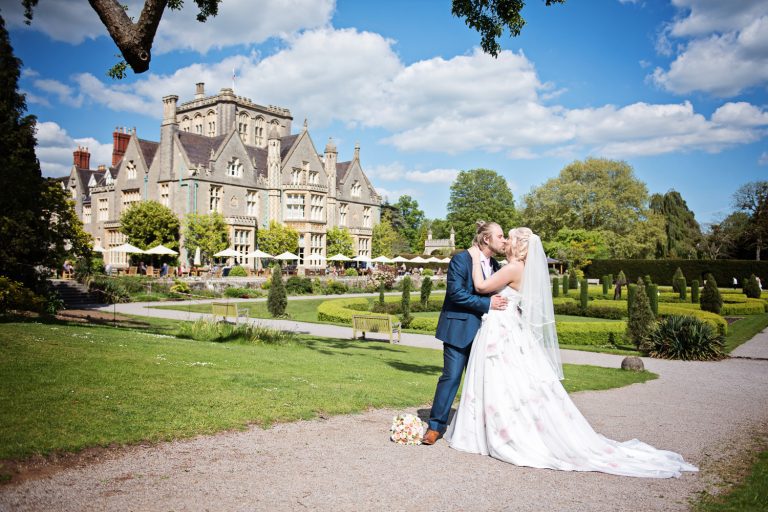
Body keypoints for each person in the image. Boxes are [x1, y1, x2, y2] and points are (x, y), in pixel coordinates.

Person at [444, 227, 698, 478]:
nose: (505, 241)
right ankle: (501, 427)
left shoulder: (512, 268)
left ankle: (500, 431)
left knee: (502, 381)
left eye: (508, 238)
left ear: (518, 245)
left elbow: (479, 286)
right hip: (507, 329)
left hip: (502, 330)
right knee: (509, 383)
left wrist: (476, 257)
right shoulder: (514, 268)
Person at [422, 221, 509, 445]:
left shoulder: (497, 265)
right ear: (486, 239)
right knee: (451, 377)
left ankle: (478, 428)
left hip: (487, 333)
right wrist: (487, 304)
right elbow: (456, 293)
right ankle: (435, 426)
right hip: (458, 328)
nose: (504, 240)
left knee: (483, 381)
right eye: (500, 236)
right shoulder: (461, 259)